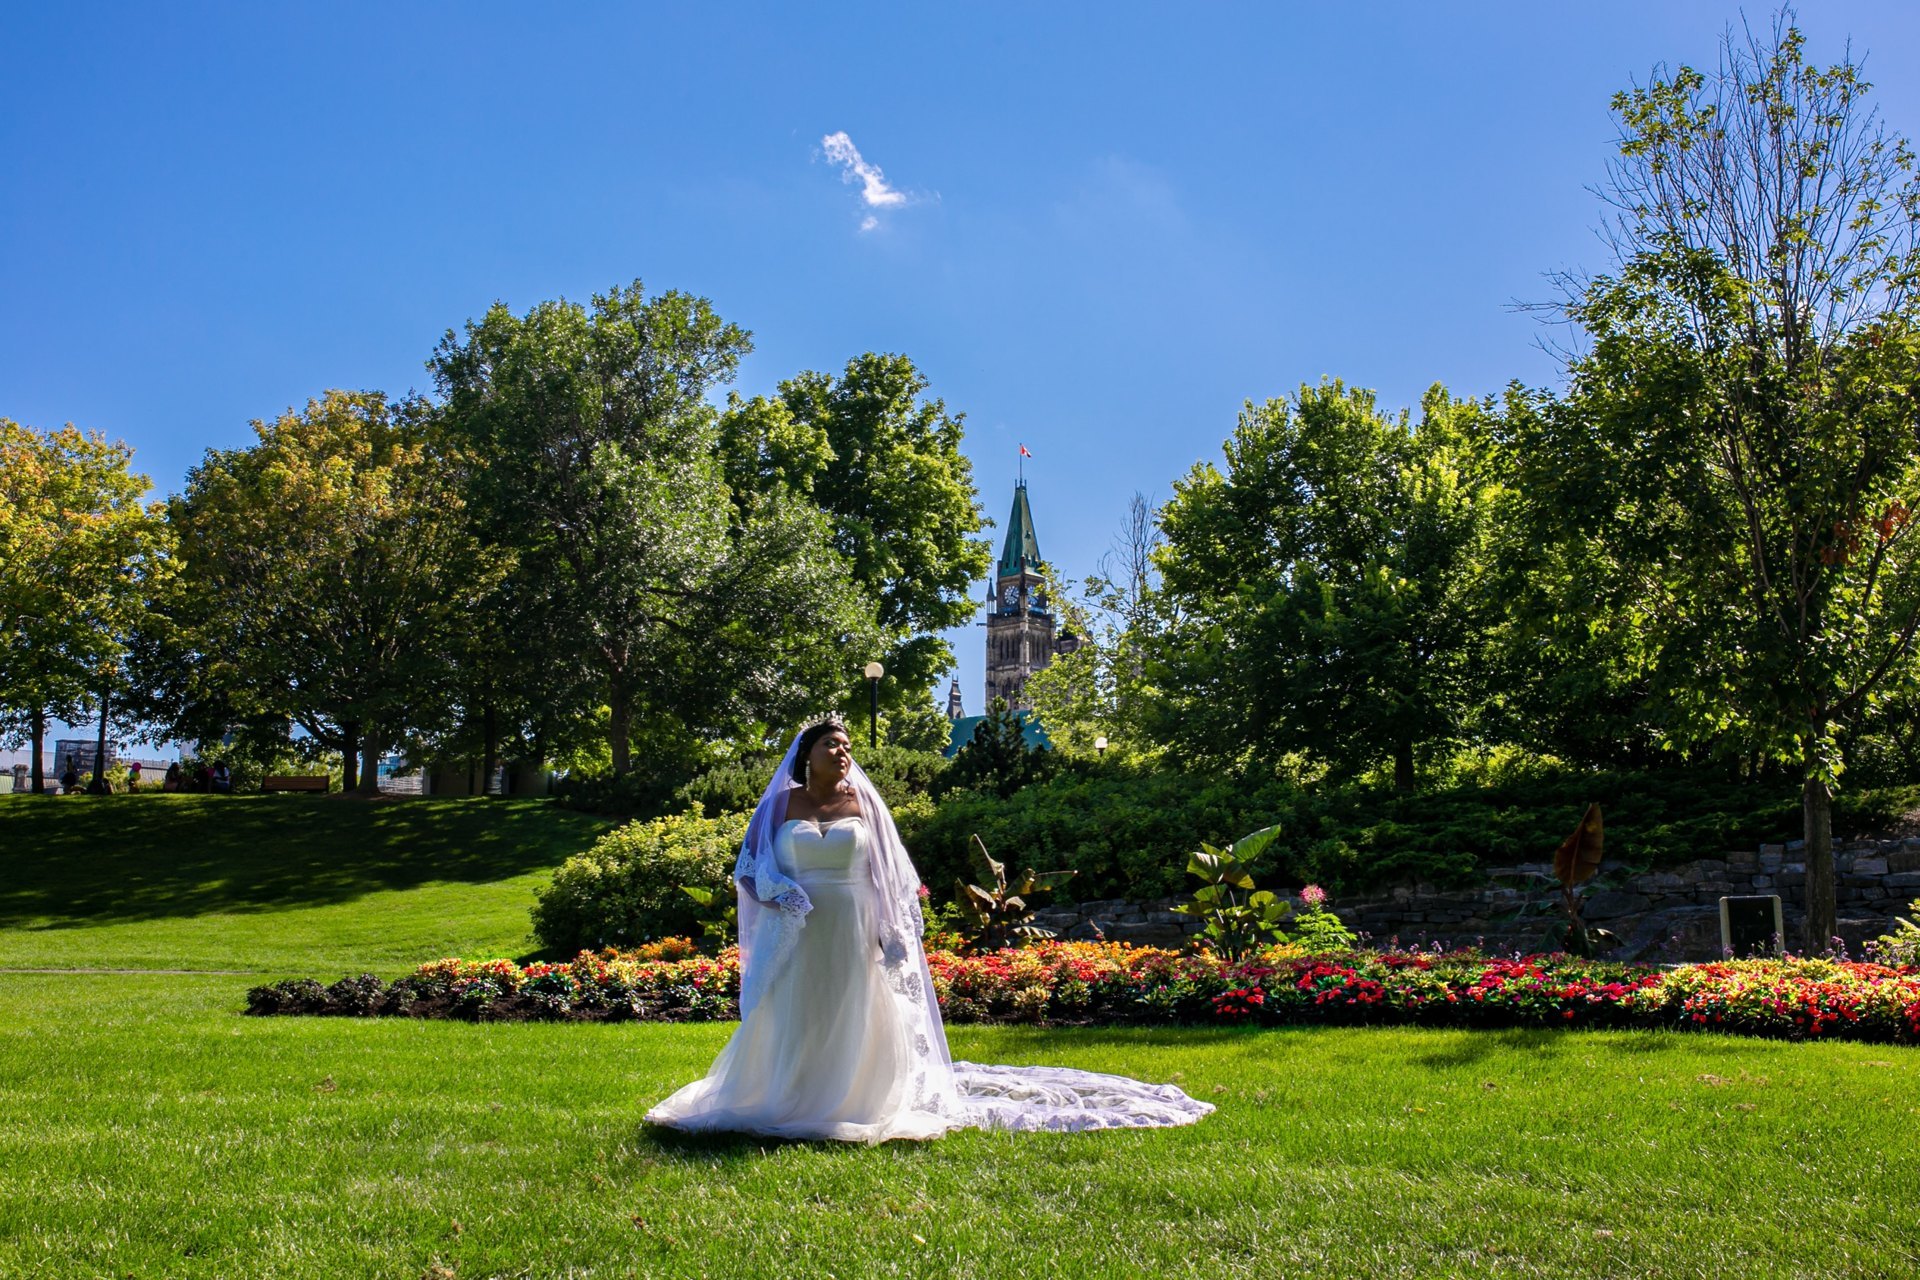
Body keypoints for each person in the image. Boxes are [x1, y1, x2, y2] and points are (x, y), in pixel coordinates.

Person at [646, 717, 1213, 1143]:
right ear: (806, 754)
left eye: (847, 746)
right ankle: (784, 1092)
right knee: (796, 1006)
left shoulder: (864, 804)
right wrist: (780, 893)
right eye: (831, 745)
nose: (842, 753)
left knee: (852, 1004)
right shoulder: (780, 805)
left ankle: (856, 1096)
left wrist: (890, 928)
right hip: (796, 925)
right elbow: (748, 872)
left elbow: (891, 874)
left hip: (851, 921)